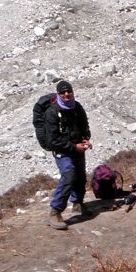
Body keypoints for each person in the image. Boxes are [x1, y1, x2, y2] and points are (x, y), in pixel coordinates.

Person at [44, 81, 92, 230]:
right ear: (58, 94)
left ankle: (78, 204)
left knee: (80, 176)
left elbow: (84, 126)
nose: (66, 94)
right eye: (62, 92)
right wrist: (73, 146)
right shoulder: (52, 112)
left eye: (69, 91)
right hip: (63, 151)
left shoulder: (77, 107)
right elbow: (53, 140)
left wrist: (86, 139)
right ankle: (55, 211)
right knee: (69, 175)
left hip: (78, 149)